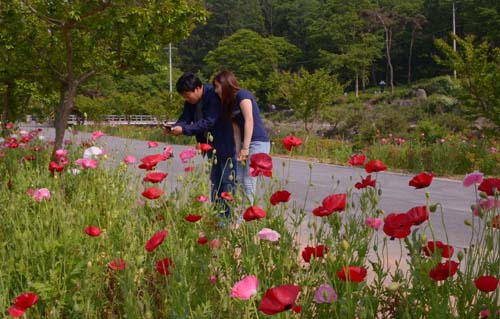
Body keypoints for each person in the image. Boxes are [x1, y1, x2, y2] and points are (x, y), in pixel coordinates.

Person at [169, 72, 236, 222]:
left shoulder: (212, 96)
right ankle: (217, 216)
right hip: (209, 145)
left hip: (225, 143)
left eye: (187, 95)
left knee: (227, 182)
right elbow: (185, 118)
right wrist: (175, 127)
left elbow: (209, 121)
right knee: (215, 182)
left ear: (198, 88)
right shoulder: (191, 102)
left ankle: (227, 218)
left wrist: (185, 130)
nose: (187, 99)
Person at [212, 70, 270, 205]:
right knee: (238, 178)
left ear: (225, 83)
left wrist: (246, 148)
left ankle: (246, 219)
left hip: (257, 141)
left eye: (217, 86)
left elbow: (249, 120)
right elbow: (236, 129)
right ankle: (240, 216)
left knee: (249, 180)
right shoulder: (228, 104)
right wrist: (237, 150)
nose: (216, 91)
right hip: (244, 141)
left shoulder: (243, 95)